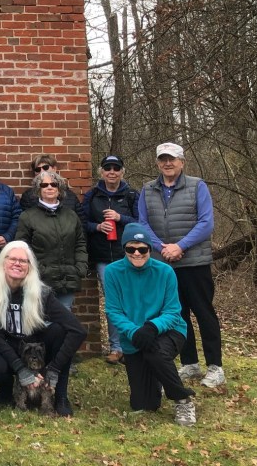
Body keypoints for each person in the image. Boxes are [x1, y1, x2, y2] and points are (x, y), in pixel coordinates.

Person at [138, 142, 224, 388]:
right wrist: (162, 247)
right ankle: (190, 363)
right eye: (163, 159)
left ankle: (215, 366)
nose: (168, 163)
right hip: (163, 264)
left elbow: (206, 223)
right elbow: (142, 223)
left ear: (182, 162)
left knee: (204, 313)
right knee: (177, 315)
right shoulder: (148, 189)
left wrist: (180, 246)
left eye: (172, 159)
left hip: (194, 262)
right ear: (157, 163)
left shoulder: (197, 186)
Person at [0, 241, 85, 417]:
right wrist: (21, 369)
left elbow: (78, 330)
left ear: (30, 267)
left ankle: (61, 396)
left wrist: (54, 368)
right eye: (12, 259)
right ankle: (6, 385)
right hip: (4, 347)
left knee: (61, 331)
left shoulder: (41, 293)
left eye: (23, 261)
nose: (17, 264)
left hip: (33, 348)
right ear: (3, 262)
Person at [104, 223, 196, 426]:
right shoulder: (112, 272)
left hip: (169, 330)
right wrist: (134, 331)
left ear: (149, 249)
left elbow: (173, 311)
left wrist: (152, 327)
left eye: (142, 249)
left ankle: (183, 399)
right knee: (144, 404)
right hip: (133, 336)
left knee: (155, 353)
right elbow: (113, 311)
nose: (137, 253)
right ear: (124, 249)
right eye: (131, 248)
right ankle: (157, 380)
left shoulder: (165, 271)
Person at [78, 154, 137, 363]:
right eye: (107, 168)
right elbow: (82, 223)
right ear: (101, 172)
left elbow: (141, 222)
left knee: (131, 299)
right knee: (113, 300)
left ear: (122, 171)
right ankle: (116, 347)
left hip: (130, 256)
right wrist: (97, 227)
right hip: (103, 257)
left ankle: (133, 344)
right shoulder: (92, 195)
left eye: (116, 168)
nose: (112, 172)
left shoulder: (132, 194)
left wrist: (120, 218)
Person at [14, 171, 86, 311]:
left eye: (54, 184)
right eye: (44, 185)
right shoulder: (28, 216)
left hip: (68, 279)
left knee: (64, 319)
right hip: (40, 281)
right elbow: (22, 248)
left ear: (59, 189)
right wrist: (40, 271)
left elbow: (80, 243)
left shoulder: (71, 215)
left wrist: (80, 268)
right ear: (38, 189)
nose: (49, 187)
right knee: (42, 319)